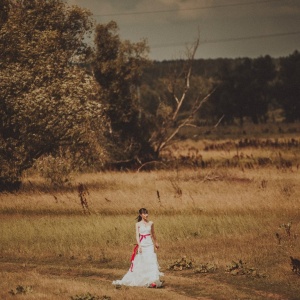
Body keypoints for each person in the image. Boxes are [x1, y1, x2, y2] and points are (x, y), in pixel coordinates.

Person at [112, 208, 163, 288]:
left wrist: (156, 242)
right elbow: (137, 236)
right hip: (142, 244)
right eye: (144, 213)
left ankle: (152, 281)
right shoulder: (138, 224)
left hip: (149, 243)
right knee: (142, 261)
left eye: (147, 213)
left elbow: (153, 233)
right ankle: (142, 279)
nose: (146, 215)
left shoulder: (151, 223)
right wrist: (139, 246)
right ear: (140, 215)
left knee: (151, 261)